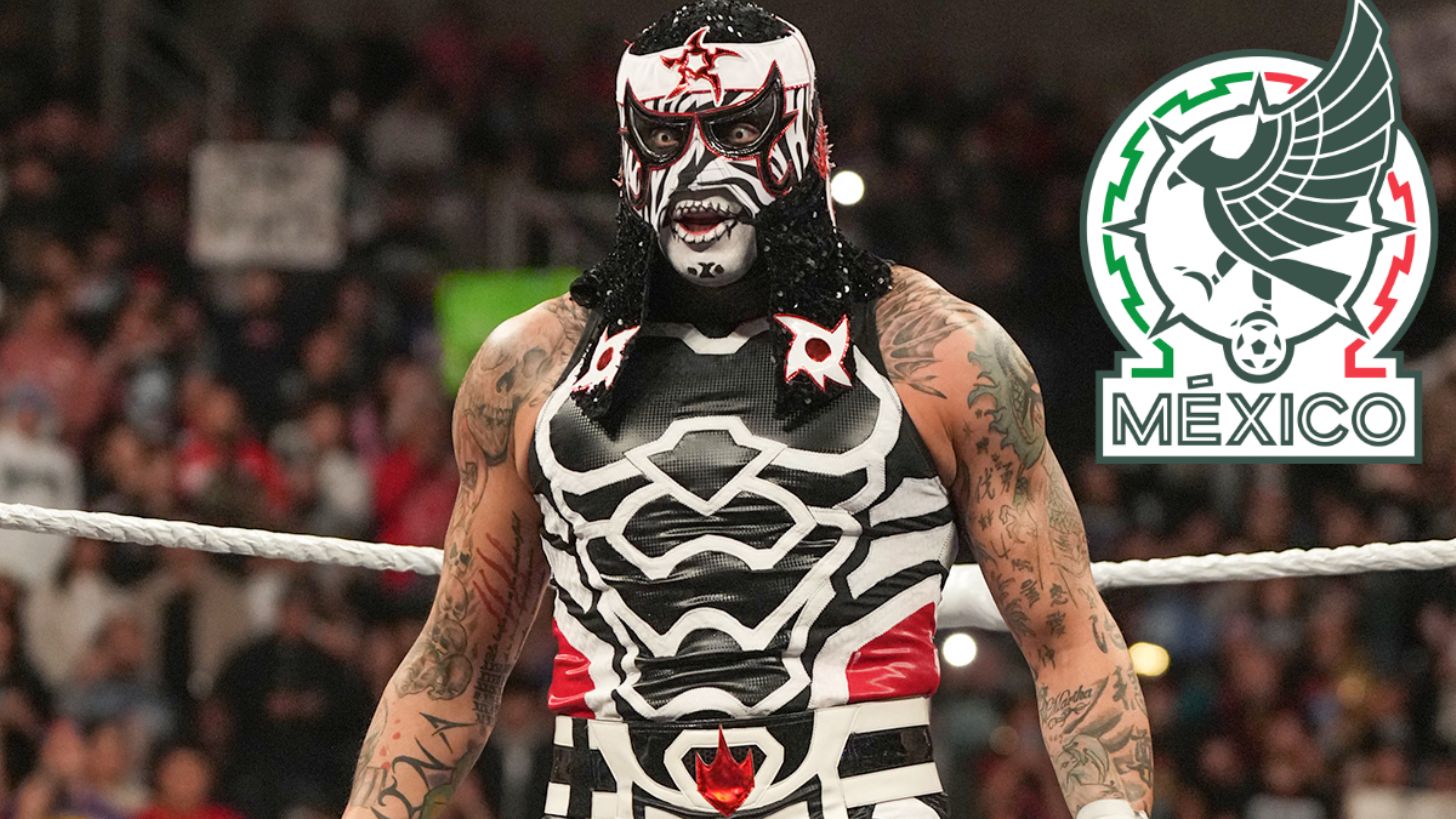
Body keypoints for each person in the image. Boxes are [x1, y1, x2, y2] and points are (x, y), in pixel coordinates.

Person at [345, 3, 1153, 818]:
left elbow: (1070, 640)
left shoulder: (940, 353)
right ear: (626, 155)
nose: (698, 169)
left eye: (735, 130)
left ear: (803, 136)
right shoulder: (529, 368)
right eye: (665, 136)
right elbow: (453, 668)